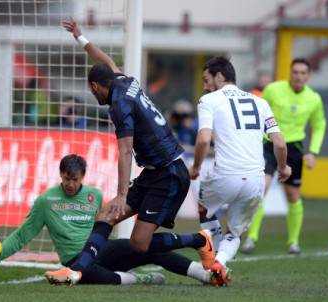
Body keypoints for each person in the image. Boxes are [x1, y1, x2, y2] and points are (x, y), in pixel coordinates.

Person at [44, 18, 219, 286]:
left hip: (169, 174)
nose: (94, 96)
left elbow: (125, 151)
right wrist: (80, 38)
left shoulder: (119, 105)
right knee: (105, 216)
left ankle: (198, 240)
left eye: (93, 92)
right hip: (154, 172)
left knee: (139, 244)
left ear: (95, 87)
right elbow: (104, 60)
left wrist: (121, 194)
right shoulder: (123, 80)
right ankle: (76, 271)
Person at [0, 154, 222, 286]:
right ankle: (138, 280)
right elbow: (22, 235)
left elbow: (106, 227)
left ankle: (204, 274)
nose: (71, 184)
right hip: (76, 260)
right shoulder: (46, 201)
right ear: (60, 175)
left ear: (83, 177)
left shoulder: (94, 196)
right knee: (83, 272)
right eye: (66, 178)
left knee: (144, 246)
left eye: (75, 179)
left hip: (102, 251)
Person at [188, 57, 291, 277]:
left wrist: (196, 167)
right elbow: (280, 143)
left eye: (207, 80)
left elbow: (204, 139)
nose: (205, 86)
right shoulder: (260, 102)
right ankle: (220, 262)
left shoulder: (209, 101)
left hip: (224, 175)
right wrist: (283, 168)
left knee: (204, 209)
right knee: (235, 232)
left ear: (219, 77)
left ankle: (210, 253)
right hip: (256, 180)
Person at [241, 58, 326, 255]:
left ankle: (293, 242)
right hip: (270, 144)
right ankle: (251, 238)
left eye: (303, 73)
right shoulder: (273, 89)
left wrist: (313, 152)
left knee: (293, 196)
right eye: (295, 72)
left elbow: (319, 125)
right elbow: (259, 113)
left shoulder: (314, 99)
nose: (299, 76)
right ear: (289, 72)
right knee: (261, 189)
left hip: (294, 148)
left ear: (308, 76)